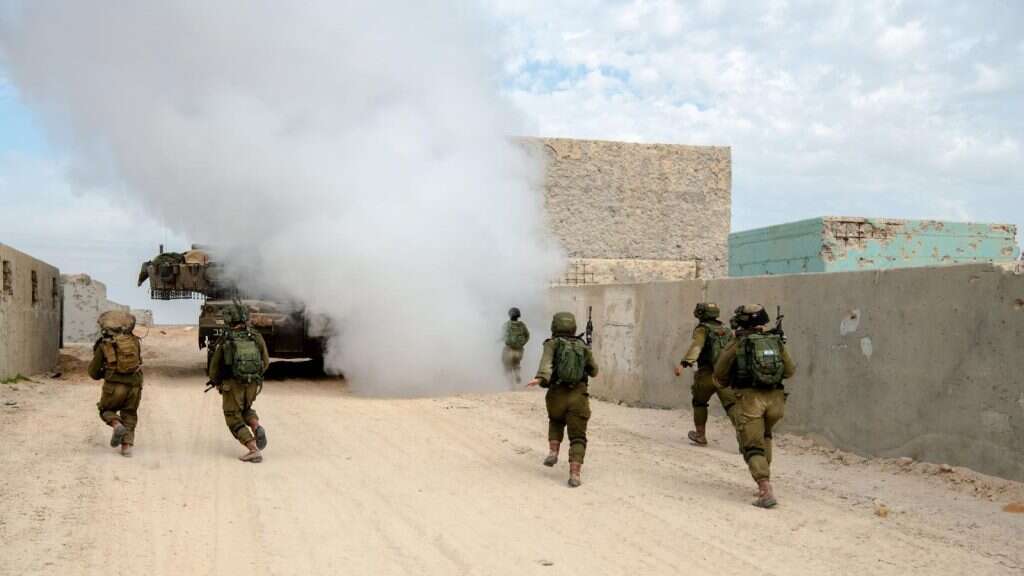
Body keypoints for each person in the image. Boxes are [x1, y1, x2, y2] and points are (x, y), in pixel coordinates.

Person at [713, 304, 796, 508]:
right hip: (776, 400)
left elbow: (720, 374)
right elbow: (790, 371)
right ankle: (764, 478)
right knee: (765, 436)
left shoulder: (738, 343)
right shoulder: (775, 341)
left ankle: (765, 489)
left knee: (751, 446)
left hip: (750, 401)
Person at [527, 312, 599, 487]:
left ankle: (553, 452)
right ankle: (574, 474)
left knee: (556, 421)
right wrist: (587, 351)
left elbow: (546, 364)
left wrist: (540, 379)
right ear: (573, 327)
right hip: (578, 397)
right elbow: (594, 371)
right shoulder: (582, 346)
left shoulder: (551, 344)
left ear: (555, 326)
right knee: (578, 438)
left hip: (557, 395)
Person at [207, 302, 271, 463]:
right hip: (253, 383)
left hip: (232, 385)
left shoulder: (226, 339)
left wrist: (217, 383)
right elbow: (266, 361)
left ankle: (253, 449)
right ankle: (256, 427)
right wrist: (254, 376)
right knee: (246, 409)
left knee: (233, 417)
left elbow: (214, 368)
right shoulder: (255, 336)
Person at [674, 302, 736, 446]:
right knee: (732, 406)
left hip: (706, 375)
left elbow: (697, 347)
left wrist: (683, 364)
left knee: (699, 402)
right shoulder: (726, 330)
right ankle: (746, 440)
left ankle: (700, 436)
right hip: (724, 376)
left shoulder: (702, 329)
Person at [88, 310, 143, 458]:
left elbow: (93, 372)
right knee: (130, 414)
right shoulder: (134, 341)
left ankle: (116, 425)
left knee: (105, 410)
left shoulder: (104, 345)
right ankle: (126, 447)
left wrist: (103, 373)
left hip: (114, 386)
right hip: (135, 385)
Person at [501, 307, 530, 385]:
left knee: (506, 364)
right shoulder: (522, 325)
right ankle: (517, 374)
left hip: (509, 350)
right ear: (518, 315)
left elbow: (503, 336)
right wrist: (523, 343)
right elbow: (527, 335)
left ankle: (510, 383)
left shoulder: (506, 325)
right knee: (517, 364)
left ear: (510, 315)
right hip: (519, 350)